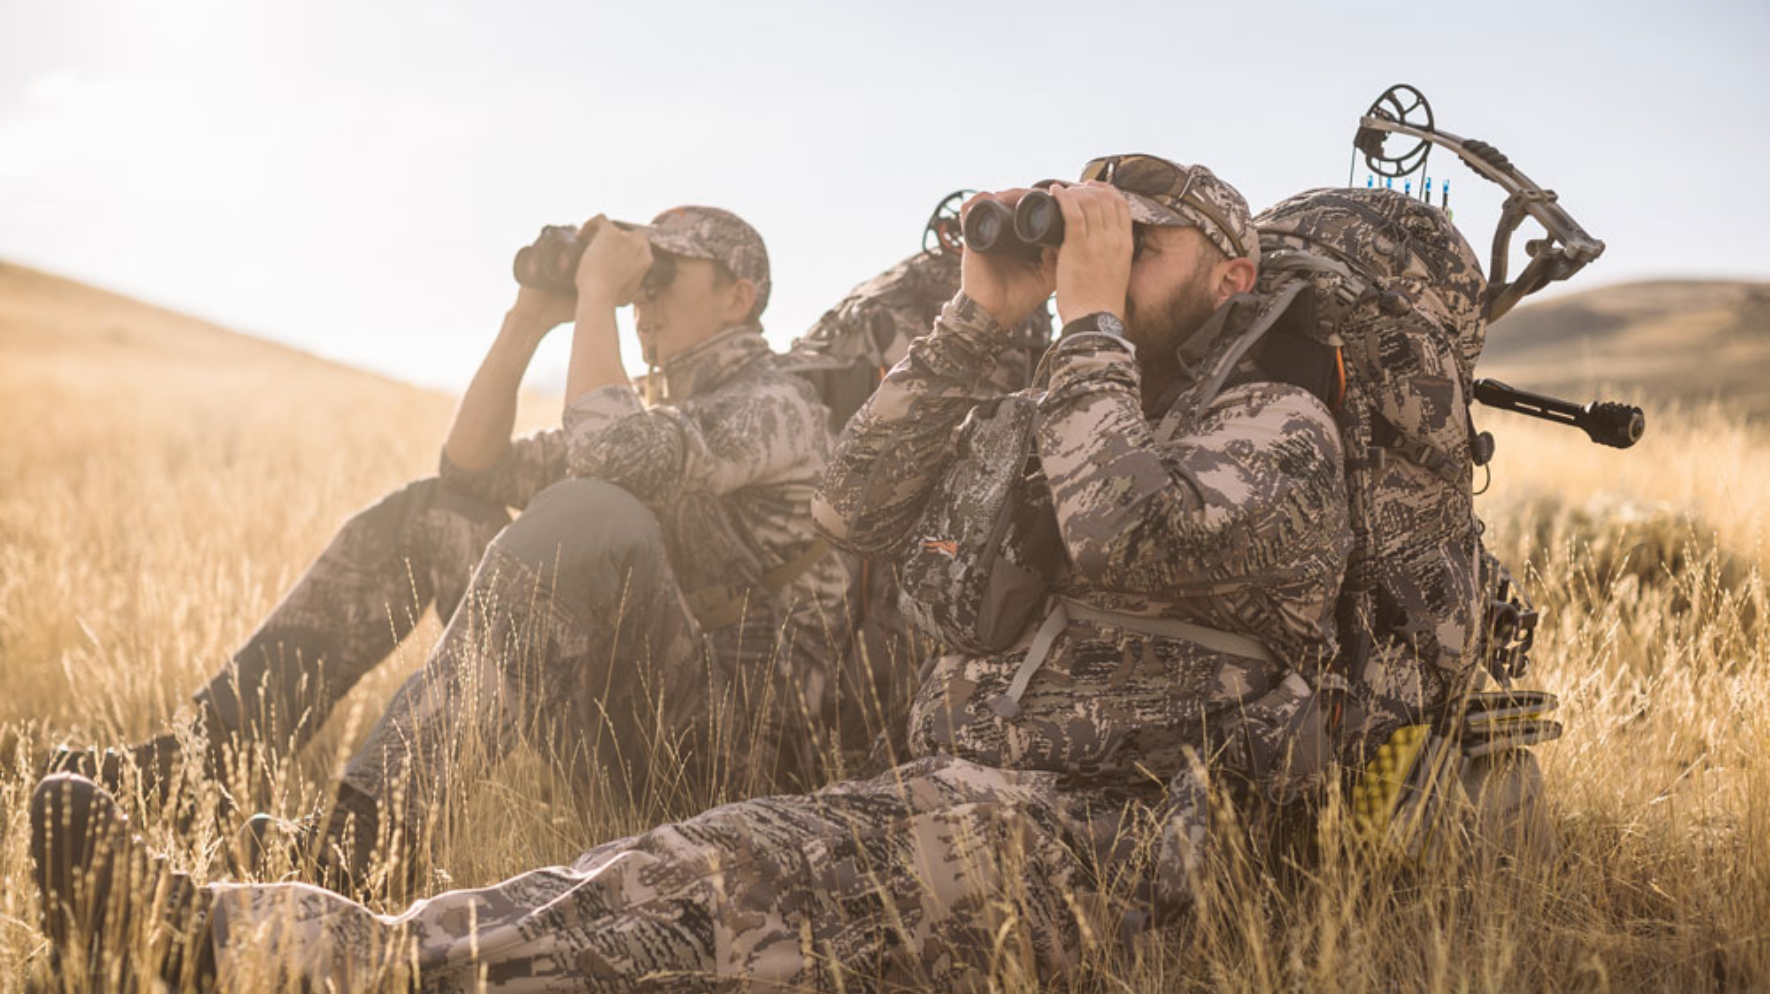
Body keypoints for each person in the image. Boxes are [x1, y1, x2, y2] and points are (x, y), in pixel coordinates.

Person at [31, 155, 1355, 991]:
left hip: (1108, 828)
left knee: (697, 894)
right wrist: (981, 318)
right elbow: (861, 498)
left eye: (1139, 244)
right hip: (951, 784)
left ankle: (263, 950)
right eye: (1092, 238)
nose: (1100, 264)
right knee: (675, 871)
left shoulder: (1274, 428)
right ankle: (247, 903)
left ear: (1232, 277)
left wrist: (1085, 316)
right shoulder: (1059, 389)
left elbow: (1117, 524)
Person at [52, 206, 854, 885]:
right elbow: (469, 468)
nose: (643, 297)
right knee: (435, 512)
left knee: (589, 509)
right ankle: (195, 764)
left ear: (739, 296)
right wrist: (531, 319)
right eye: (640, 276)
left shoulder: (776, 406)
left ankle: (367, 844)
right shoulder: (645, 407)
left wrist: (600, 292)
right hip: (637, 727)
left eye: (664, 273)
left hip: (739, 766)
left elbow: (608, 461)